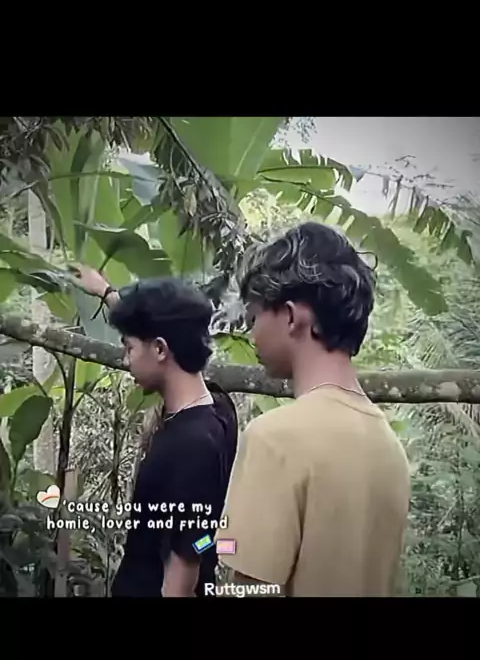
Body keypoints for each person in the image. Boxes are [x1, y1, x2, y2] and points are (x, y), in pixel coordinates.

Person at [215, 222, 411, 597]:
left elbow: (251, 590)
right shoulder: (389, 446)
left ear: (291, 316)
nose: (252, 333)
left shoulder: (275, 438)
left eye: (255, 316)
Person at [73, 266, 238, 597]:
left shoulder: (191, 446)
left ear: (161, 349)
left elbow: (182, 572)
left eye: (129, 348)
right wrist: (107, 293)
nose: (126, 360)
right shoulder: (218, 409)